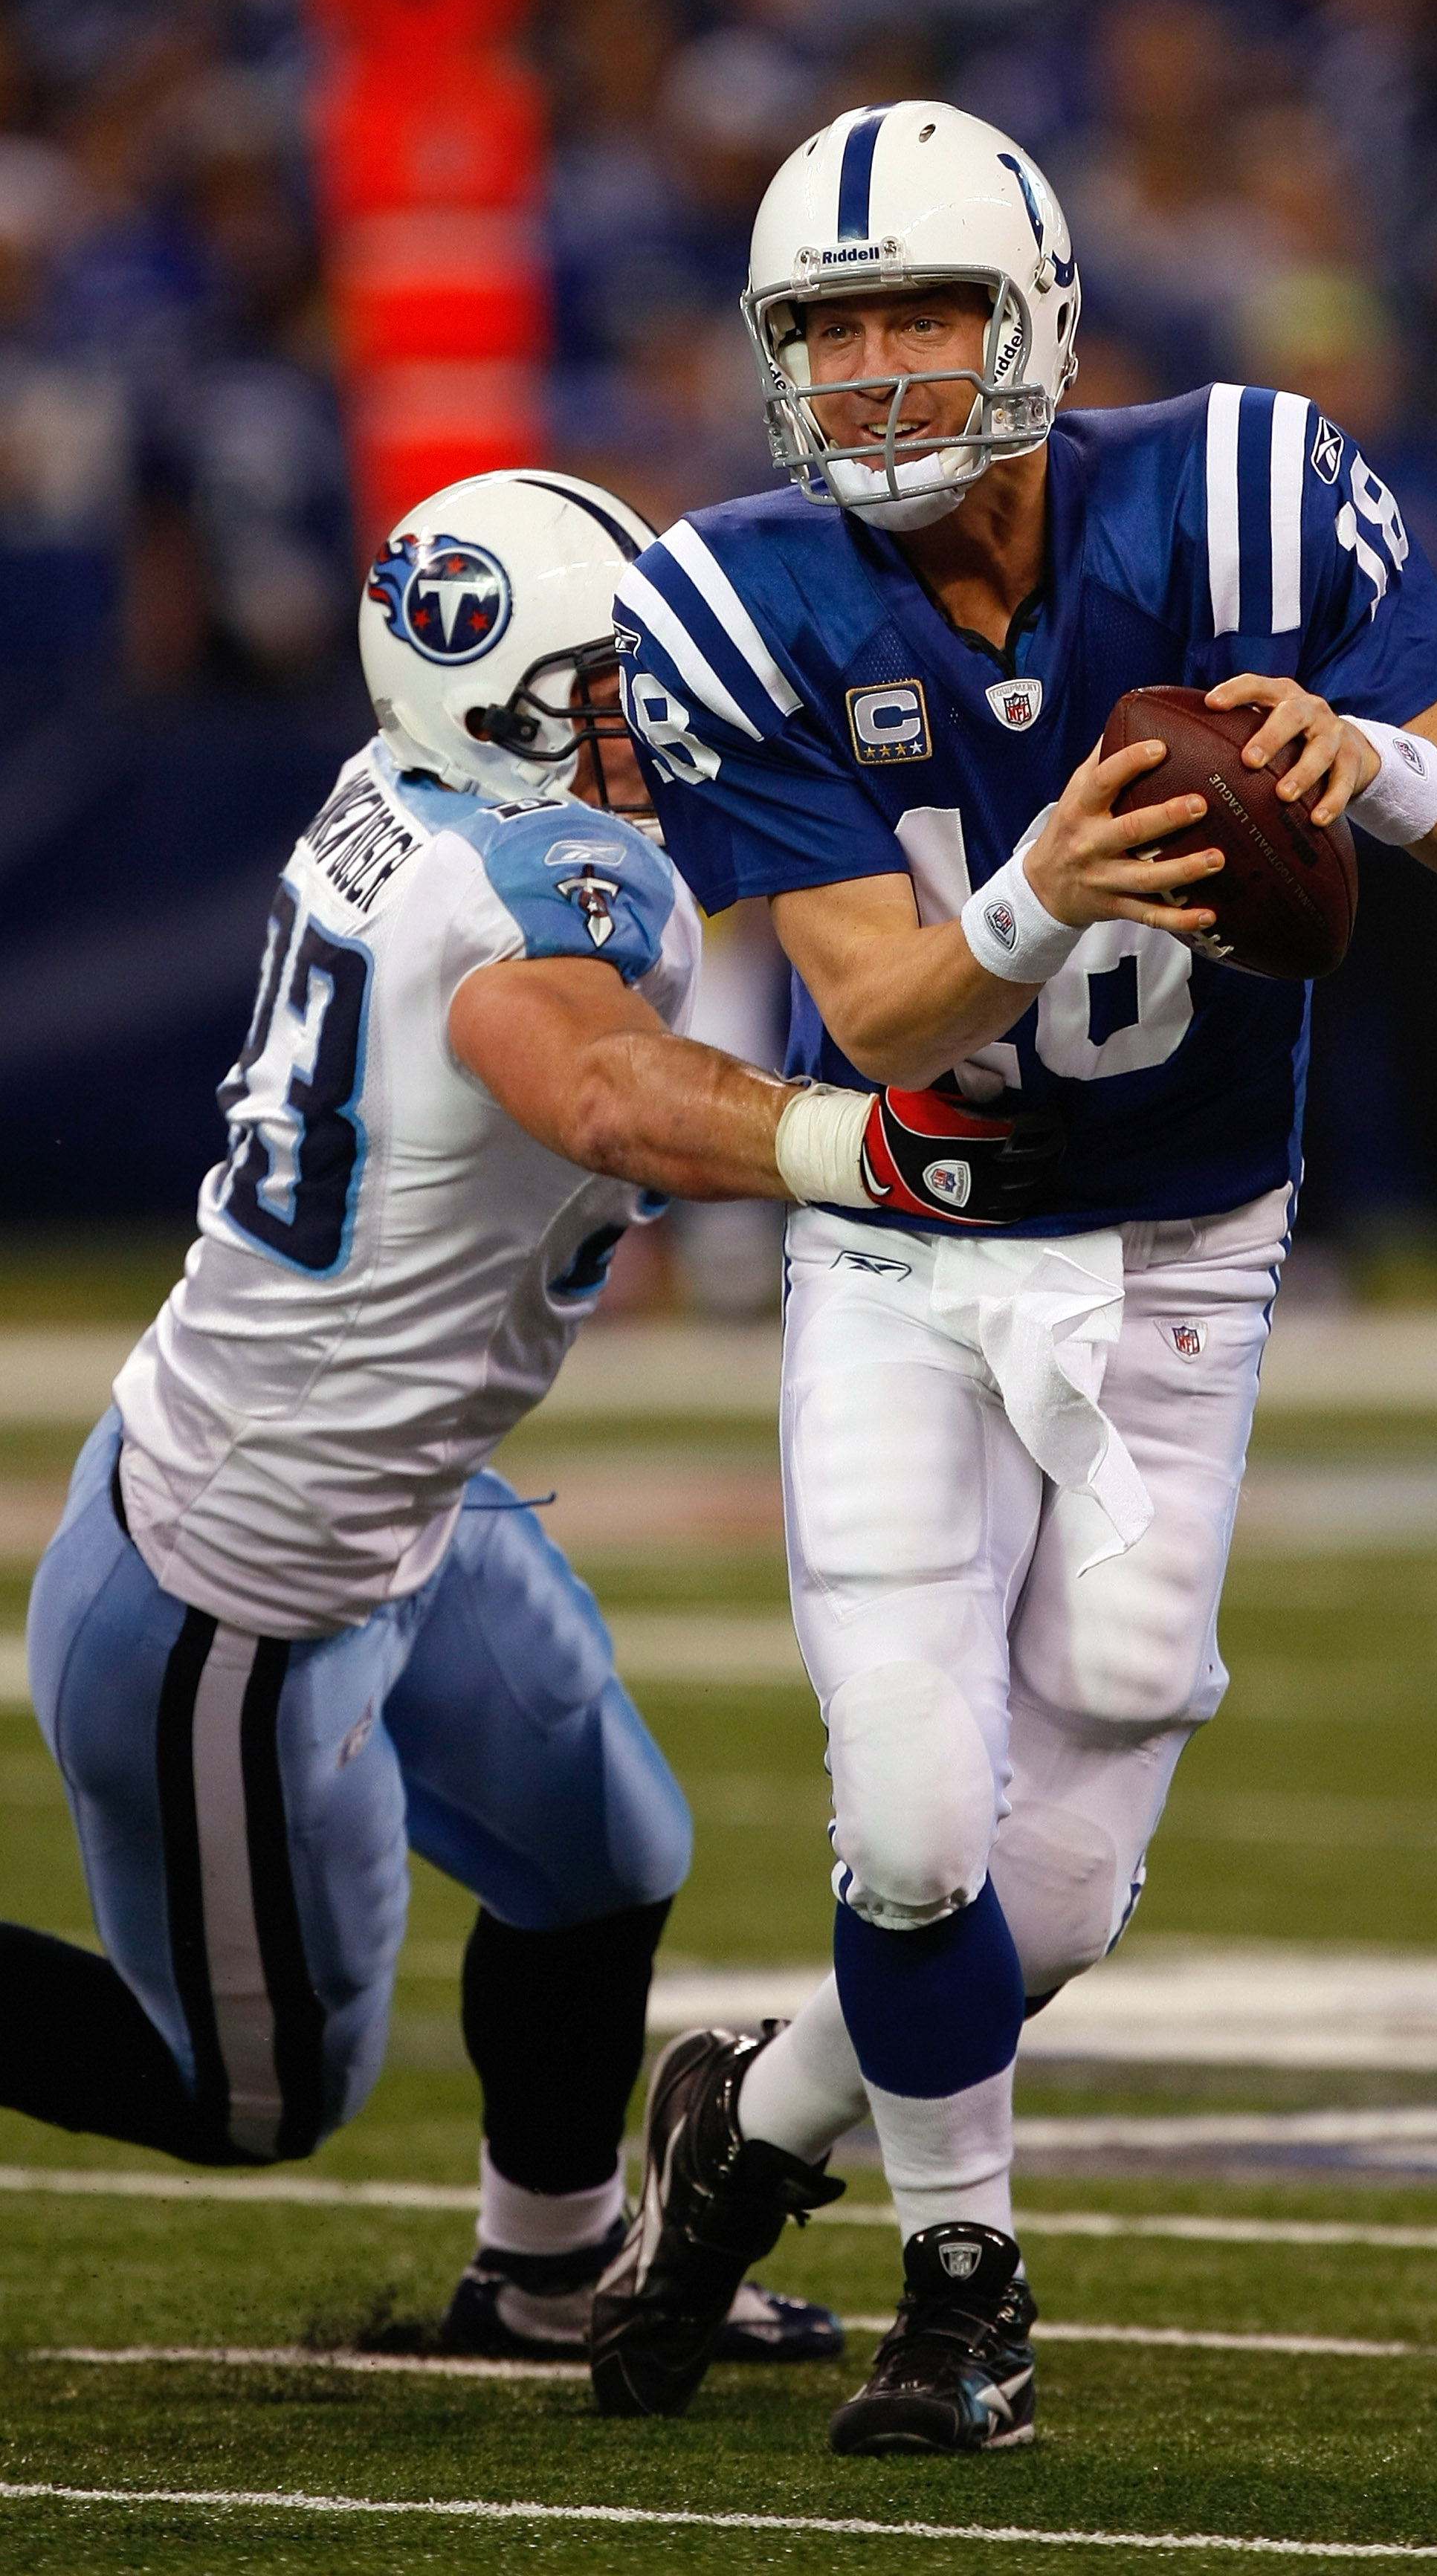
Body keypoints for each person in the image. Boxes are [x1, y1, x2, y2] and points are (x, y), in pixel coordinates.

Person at [588, 102, 1437, 2452]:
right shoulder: (739, 593)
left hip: (1183, 1247)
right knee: (915, 1827)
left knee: (1044, 1896)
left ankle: (752, 2126)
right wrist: (1039, 892)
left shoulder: (1241, 495)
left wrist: (1378, 766)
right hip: (917, 1243)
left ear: (1033, 308)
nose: (886, 371)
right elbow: (892, 1004)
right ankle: (968, 2293)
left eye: (924, 309)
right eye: (835, 328)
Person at [1, 463, 1050, 2368]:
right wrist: (849, 1142)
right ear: (495, 706)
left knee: (603, 1859)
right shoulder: (534, 880)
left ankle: (545, 2272)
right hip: (245, 1581)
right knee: (252, 2101)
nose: (644, 721)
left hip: (394, 1490)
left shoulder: (404, 800)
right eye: (604, 691)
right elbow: (594, 1091)